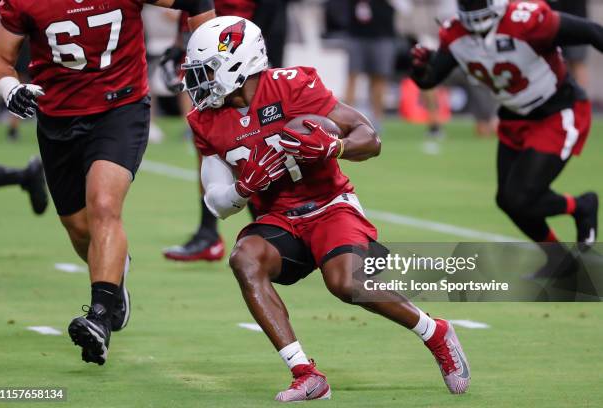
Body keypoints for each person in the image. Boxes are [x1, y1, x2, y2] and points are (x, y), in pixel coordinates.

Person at [183, 16, 471, 402]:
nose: (198, 83)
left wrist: (336, 148)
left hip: (331, 205)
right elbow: (217, 202)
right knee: (245, 258)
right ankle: (305, 373)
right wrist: (242, 188)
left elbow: (369, 138)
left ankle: (434, 333)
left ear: (239, 62)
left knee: (345, 282)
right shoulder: (205, 120)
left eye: (207, 71)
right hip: (281, 219)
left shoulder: (290, 86)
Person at [0, 0, 214, 365]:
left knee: (105, 205)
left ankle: (99, 315)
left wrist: (198, 54)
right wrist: (8, 87)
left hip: (119, 108)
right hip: (58, 117)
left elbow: (196, 2)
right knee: (79, 228)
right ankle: (116, 276)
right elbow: (0, 54)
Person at [411, 0, 599, 276]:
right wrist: (419, 67)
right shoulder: (455, 33)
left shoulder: (527, 20)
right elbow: (429, 79)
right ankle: (560, 257)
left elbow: (593, 32)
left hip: (556, 111)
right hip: (514, 116)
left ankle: (582, 206)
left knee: (521, 196)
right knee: (508, 201)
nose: (473, 7)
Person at [161, 0, 290, 263]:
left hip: (242, 64)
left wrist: (262, 60)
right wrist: (180, 45)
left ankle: (278, 227)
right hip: (212, 63)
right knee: (212, 142)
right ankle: (212, 232)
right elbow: (193, 5)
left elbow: (271, 13)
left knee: (256, 144)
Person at [344, 0, 397, 131]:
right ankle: (345, 120)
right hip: (356, 34)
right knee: (352, 77)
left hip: (382, 33)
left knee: (379, 79)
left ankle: (377, 120)